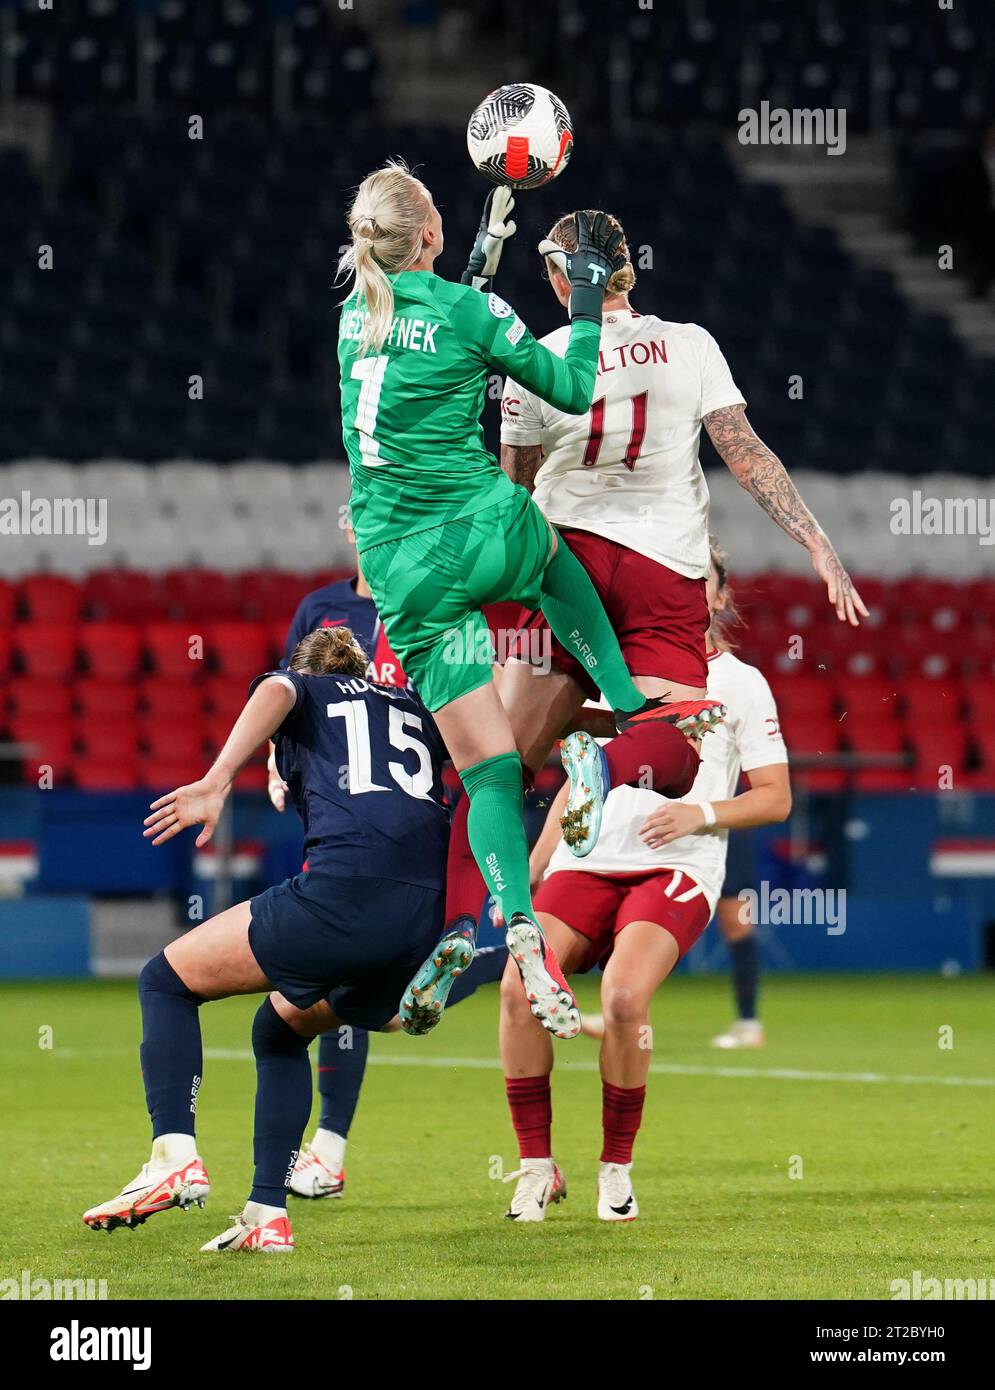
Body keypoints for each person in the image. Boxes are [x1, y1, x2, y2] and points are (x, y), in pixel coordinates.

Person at [338, 163, 722, 1041]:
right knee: (550, 557)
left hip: (401, 570)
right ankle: (621, 698)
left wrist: (466, 263)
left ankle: (517, 930)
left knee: (489, 772)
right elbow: (569, 387)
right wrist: (584, 307)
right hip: (479, 528)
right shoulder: (478, 313)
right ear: (428, 237)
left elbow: (424, 336)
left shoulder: (354, 317)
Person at [435, 207, 862, 987]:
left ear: (562, 279)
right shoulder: (692, 344)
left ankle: (470, 922)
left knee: (498, 768)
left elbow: (514, 488)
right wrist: (813, 539)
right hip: (665, 573)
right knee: (673, 750)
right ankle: (604, 763)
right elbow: (744, 450)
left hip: (562, 564)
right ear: (628, 270)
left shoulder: (537, 359)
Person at [82, 627, 454, 1253]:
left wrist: (218, 778)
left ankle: (173, 1154)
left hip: (344, 892)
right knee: (281, 1029)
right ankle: (266, 1213)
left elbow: (281, 689)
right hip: (424, 911)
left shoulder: (302, 688)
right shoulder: (415, 708)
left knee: (165, 981)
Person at [499, 540, 791, 1223]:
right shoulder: (609, 668)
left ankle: (615, 1171)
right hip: (585, 861)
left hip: (676, 865)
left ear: (717, 597)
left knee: (625, 999)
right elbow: (579, 773)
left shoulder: (739, 682)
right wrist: (536, 862)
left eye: (699, 583)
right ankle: (535, 1169)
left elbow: (775, 798)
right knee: (518, 990)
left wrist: (701, 810)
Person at [264, 542, 507, 1200]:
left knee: (327, 985)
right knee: (377, 997)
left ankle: (326, 1153)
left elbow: (282, 690)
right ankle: (487, 958)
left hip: (357, 825)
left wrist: (264, 765)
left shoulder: (433, 612)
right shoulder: (339, 607)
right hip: (409, 814)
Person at [709, 831, 765, 1049]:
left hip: (724, 827)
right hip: (673, 826)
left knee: (738, 928)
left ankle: (748, 1023)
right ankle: (620, 1013)